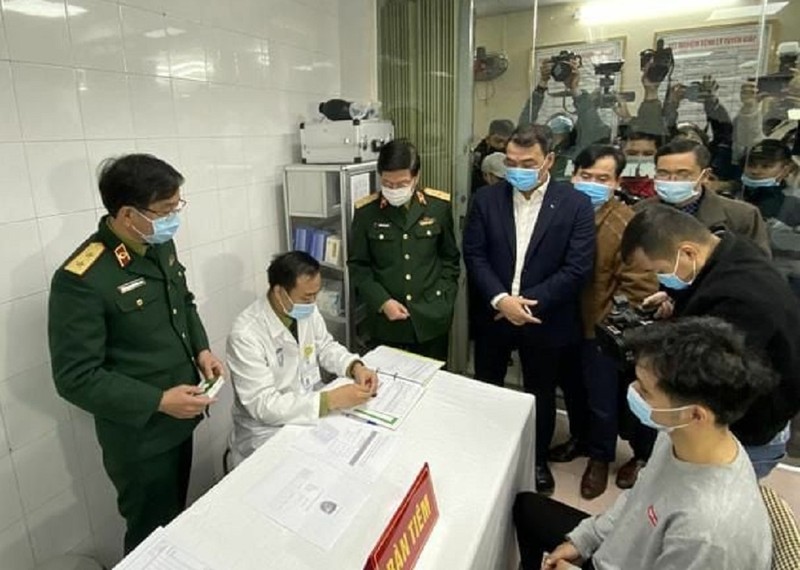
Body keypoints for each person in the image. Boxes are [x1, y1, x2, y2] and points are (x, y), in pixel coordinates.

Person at [48, 154, 225, 553]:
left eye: (176, 207)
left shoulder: (156, 242)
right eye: (165, 210)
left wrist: (201, 348)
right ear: (128, 214)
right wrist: (158, 401)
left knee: (174, 525)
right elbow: (75, 377)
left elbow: (183, 300)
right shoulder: (82, 278)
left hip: (182, 417)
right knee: (149, 539)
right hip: (141, 439)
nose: (173, 218)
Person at [513, 317, 775, 570]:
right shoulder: (678, 435)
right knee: (526, 507)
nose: (633, 392)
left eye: (645, 391)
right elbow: (637, 500)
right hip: (618, 550)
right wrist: (585, 539)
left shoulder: (706, 534)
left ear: (695, 414)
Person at [463, 123, 595, 495]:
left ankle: (535, 459)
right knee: (488, 386)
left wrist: (526, 304)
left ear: (549, 160)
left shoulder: (576, 204)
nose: (517, 169)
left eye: (528, 162)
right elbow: (474, 254)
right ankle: (489, 451)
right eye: (511, 161)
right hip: (494, 315)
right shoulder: (487, 199)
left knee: (539, 392)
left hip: (545, 318)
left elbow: (577, 267)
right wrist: (501, 300)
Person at [621, 205, 800, 478]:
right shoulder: (731, 249)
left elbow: (702, 376)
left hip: (745, 431)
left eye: (659, 271)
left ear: (688, 252)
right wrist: (675, 297)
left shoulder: (740, 300)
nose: (659, 280)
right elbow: (706, 289)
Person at [549, 145, 658, 499]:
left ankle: (606, 458)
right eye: (586, 176)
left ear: (615, 182)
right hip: (564, 323)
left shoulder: (626, 222)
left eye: (602, 179)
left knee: (606, 400)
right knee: (574, 391)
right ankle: (581, 440)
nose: (592, 184)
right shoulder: (560, 210)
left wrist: (606, 328)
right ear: (572, 175)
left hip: (605, 331)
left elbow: (639, 288)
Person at [227, 251, 378, 465]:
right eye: (307, 297)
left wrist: (355, 367)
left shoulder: (305, 309)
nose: (313, 302)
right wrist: (331, 400)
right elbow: (263, 405)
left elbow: (325, 346)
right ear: (279, 292)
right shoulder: (246, 334)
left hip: (309, 411)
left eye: (315, 294)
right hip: (267, 433)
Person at [349, 139, 460, 362]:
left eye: (401, 184)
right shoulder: (366, 213)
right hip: (386, 322)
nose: (393, 189)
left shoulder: (438, 207)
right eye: (387, 184)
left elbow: (450, 259)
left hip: (431, 317)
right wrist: (382, 302)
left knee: (433, 384)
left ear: (416, 177)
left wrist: (443, 301)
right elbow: (358, 266)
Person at [635, 138, 770, 255]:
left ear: (705, 175)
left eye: (683, 173)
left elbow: (758, 269)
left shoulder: (742, 216)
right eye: (663, 173)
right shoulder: (637, 212)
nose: (672, 180)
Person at [741, 139, 800, 296]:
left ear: (786, 169)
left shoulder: (794, 204)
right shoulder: (733, 199)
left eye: (766, 166)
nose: (756, 171)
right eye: (752, 165)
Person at [471, 119, 514, 194]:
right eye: (498, 141)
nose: (502, 146)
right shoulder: (476, 158)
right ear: (488, 139)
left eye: (507, 143)